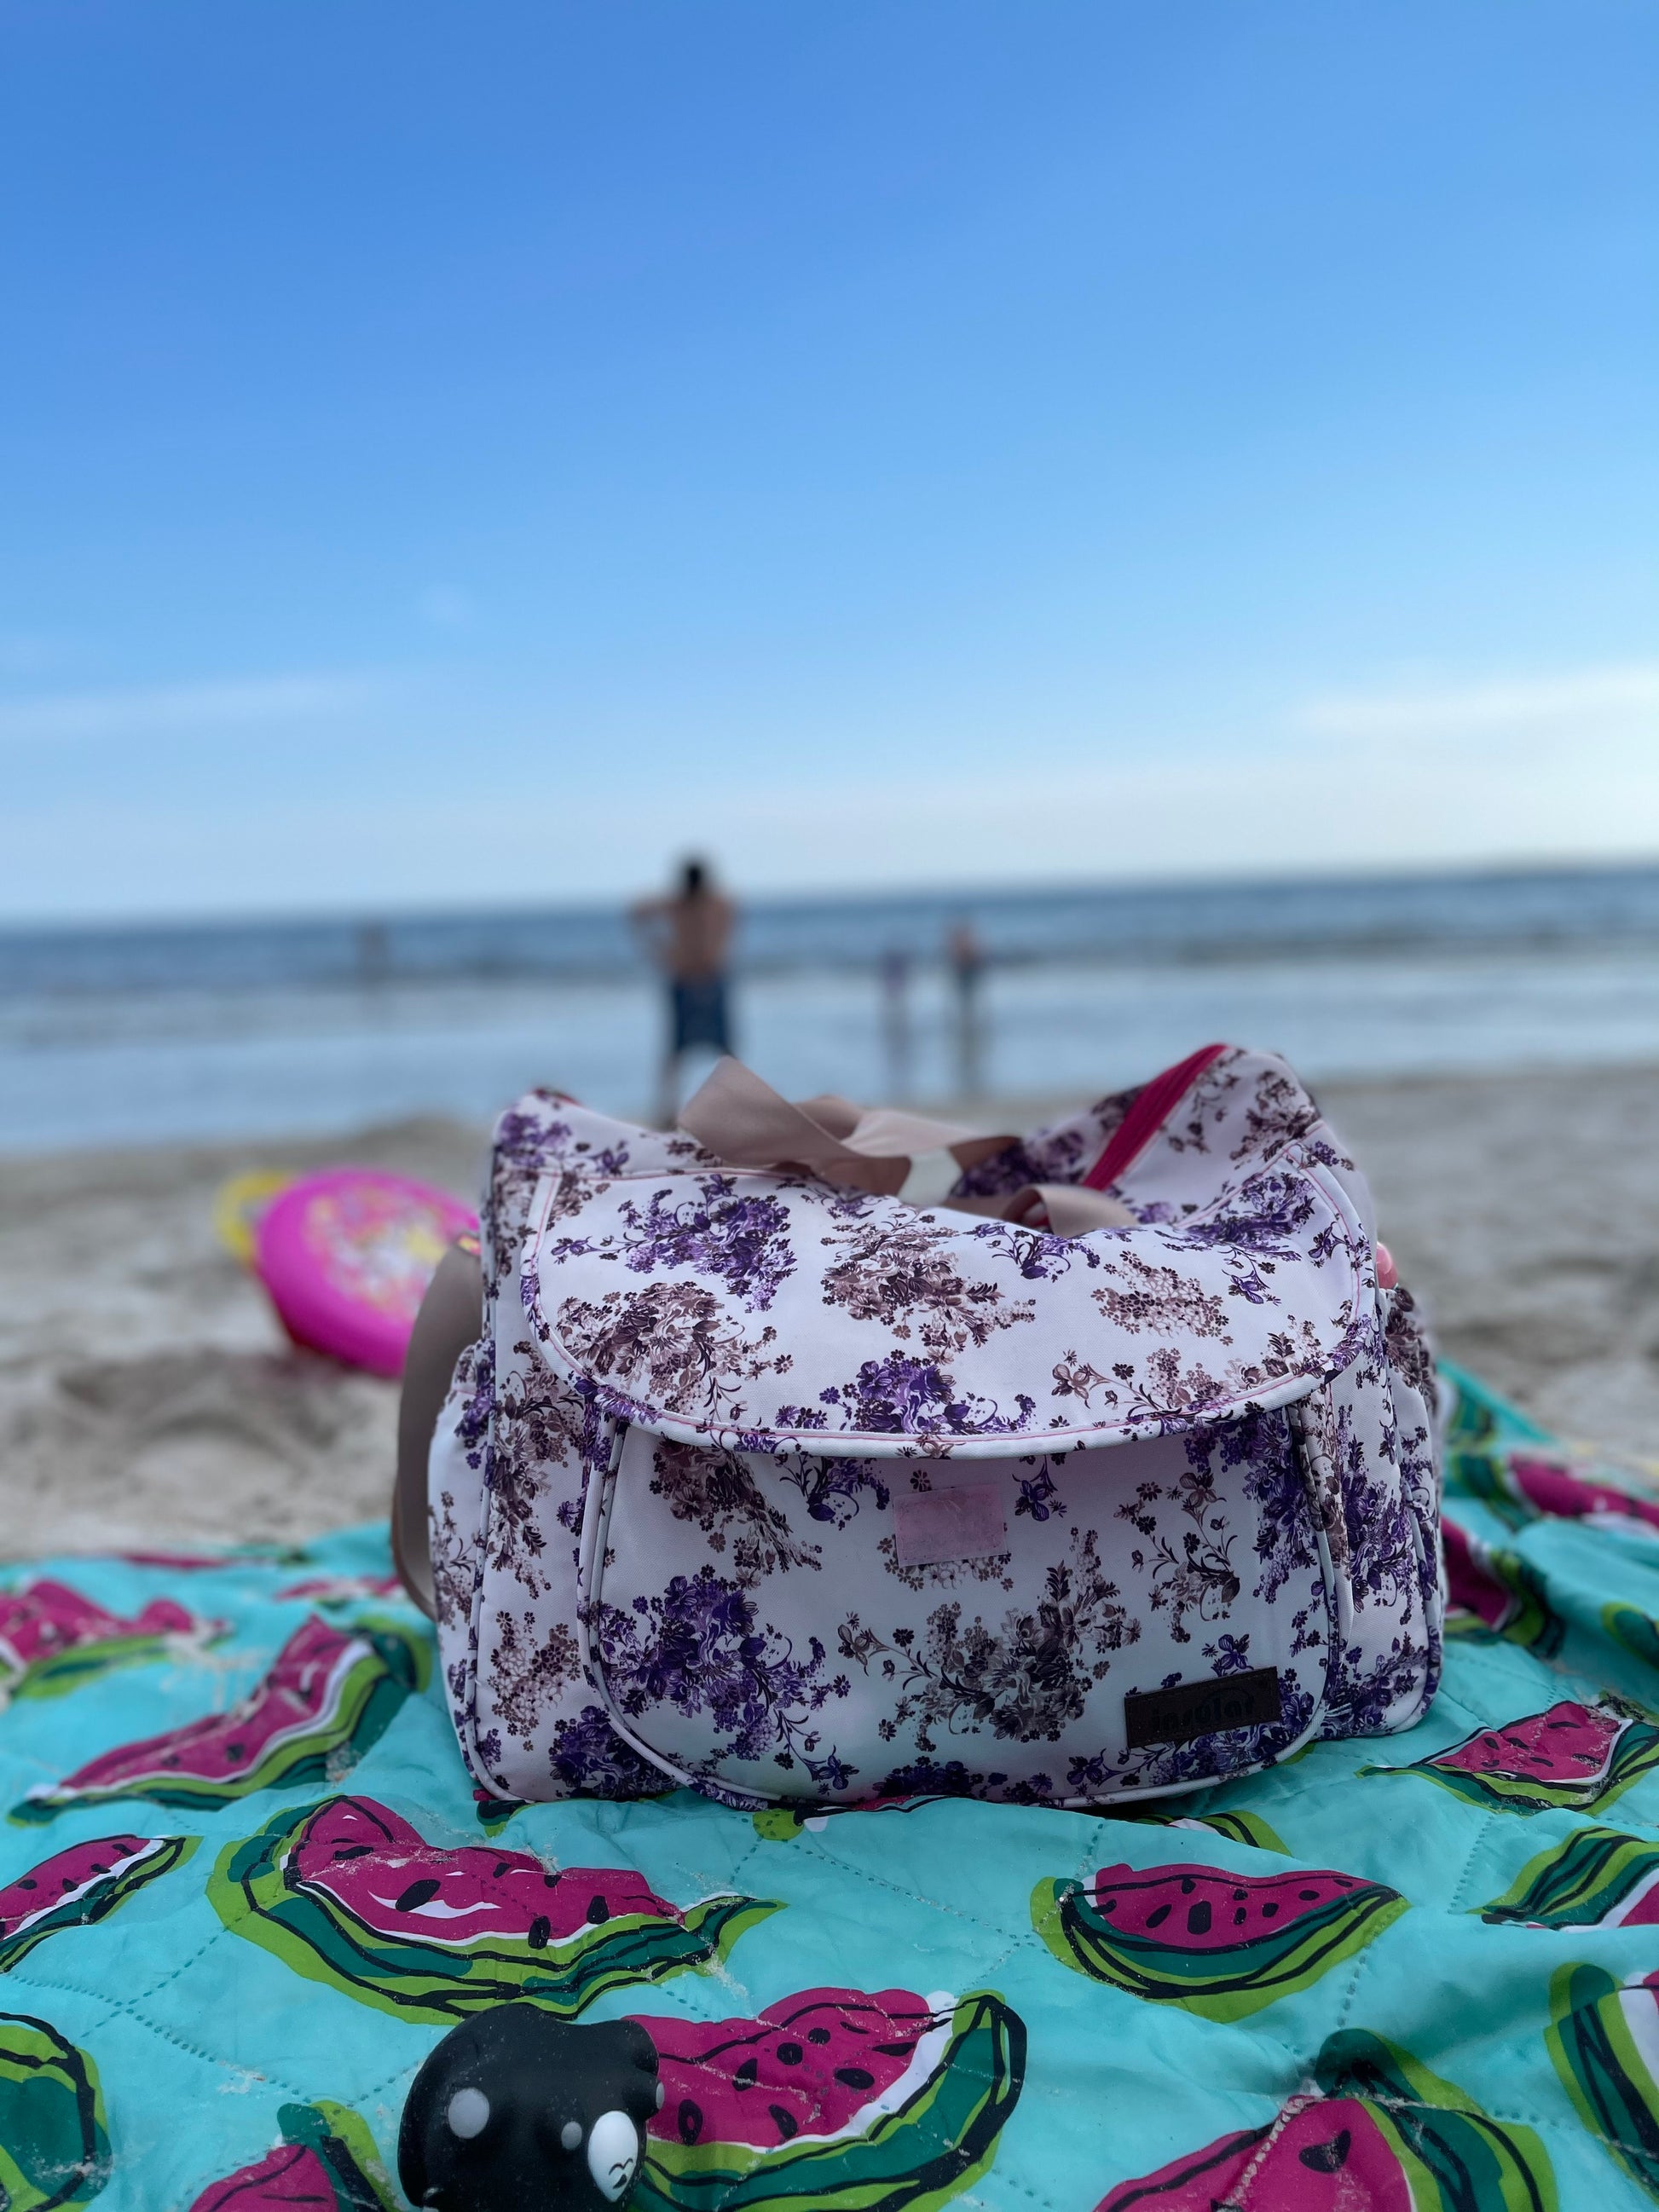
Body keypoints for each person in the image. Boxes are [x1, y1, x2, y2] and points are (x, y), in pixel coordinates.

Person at [630, 858, 737, 1126]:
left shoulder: (717, 903)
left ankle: (736, 1104)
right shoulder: (678, 904)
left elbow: (726, 936)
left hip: (711, 979)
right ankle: (668, 1109)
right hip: (685, 979)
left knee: (725, 1048)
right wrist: (658, 951)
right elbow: (636, 910)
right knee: (676, 1049)